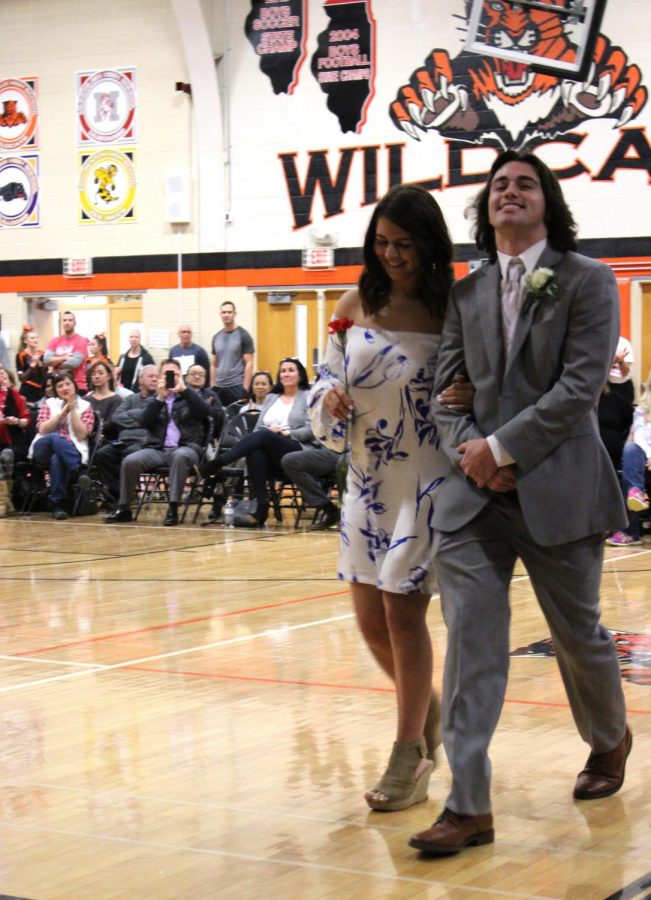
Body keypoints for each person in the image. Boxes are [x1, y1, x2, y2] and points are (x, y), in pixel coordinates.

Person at [409, 150, 631, 857]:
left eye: (524, 184)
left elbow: (579, 386)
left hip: (559, 489)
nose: (509, 192)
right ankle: (467, 805)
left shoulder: (589, 281)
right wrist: (469, 450)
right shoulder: (465, 292)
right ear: (486, 208)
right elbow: (443, 392)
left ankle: (608, 737)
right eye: (499, 185)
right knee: (472, 643)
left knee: (578, 637)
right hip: (473, 500)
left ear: (546, 202)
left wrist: (498, 446)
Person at [307, 184, 472, 812]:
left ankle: (410, 755)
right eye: (382, 243)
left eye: (405, 244)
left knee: (405, 617)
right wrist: (331, 400)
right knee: (370, 623)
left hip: (426, 480)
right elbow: (324, 383)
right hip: (367, 480)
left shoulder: (452, 308)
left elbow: (478, 382)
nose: (392, 255)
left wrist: (472, 398)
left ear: (430, 245)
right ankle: (423, 709)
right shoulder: (354, 301)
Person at [203, 357, 317, 527]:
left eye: (291, 370)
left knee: (265, 435)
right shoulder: (272, 397)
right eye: (283, 371)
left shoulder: (308, 397)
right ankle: (261, 509)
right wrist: (268, 434)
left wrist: (286, 432)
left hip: (296, 448)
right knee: (256, 450)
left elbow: (311, 430)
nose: (286, 374)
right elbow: (257, 429)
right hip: (270, 451)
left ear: (300, 374)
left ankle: (219, 462)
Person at [104, 358, 211, 527]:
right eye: (166, 374)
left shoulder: (190, 396)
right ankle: (124, 507)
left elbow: (204, 412)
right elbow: (145, 422)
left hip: (187, 447)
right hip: (158, 448)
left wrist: (184, 390)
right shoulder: (153, 399)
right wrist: (160, 398)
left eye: (174, 374)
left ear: (180, 376)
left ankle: (173, 508)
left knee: (179, 456)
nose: (170, 378)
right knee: (130, 461)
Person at [29, 371, 95, 520]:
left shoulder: (86, 406)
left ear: (74, 386)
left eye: (68, 384)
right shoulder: (50, 404)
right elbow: (43, 429)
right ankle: (79, 470)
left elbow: (82, 435)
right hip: (43, 448)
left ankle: (58, 504)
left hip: (70, 450)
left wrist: (72, 410)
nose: (64, 388)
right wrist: (64, 411)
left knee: (57, 459)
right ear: (56, 390)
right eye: (60, 385)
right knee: (53, 436)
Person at [94, 364, 159, 506]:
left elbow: (151, 421)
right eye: (150, 376)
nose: (155, 379)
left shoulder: (159, 401)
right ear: (141, 380)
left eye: (157, 377)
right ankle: (121, 493)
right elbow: (117, 417)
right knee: (102, 454)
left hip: (144, 443)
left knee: (128, 455)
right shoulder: (130, 399)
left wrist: (135, 417)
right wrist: (142, 419)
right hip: (123, 441)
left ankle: (120, 498)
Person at [606, 371, 651, 546]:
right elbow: (639, 436)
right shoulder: (642, 410)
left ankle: (629, 530)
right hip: (644, 461)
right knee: (631, 449)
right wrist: (649, 456)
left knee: (630, 469)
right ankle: (636, 494)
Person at [281, 444, 341, 529]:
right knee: (290, 460)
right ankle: (330, 510)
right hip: (333, 449)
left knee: (345, 462)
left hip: (358, 450)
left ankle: (350, 517)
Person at [0, 363, 31, 516]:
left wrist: (16, 421)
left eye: (3, 375)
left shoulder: (15, 396)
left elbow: (26, 421)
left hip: (15, 442)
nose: (1, 377)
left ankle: (2, 502)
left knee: (5, 455)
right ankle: (6, 502)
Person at [210, 302, 255, 406]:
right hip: (219, 387)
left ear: (234, 314)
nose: (226, 315)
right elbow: (213, 364)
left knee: (235, 420)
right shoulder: (216, 337)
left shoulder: (243, 335)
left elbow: (249, 363)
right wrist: (212, 386)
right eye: (224, 312)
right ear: (220, 314)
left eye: (229, 312)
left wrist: (245, 389)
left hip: (237, 386)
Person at [44, 311, 88, 393]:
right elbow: (46, 360)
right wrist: (64, 357)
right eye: (64, 320)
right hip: (58, 385)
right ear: (62, 323)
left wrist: (54, 361)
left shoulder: (81, 341)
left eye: (70, 320)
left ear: (75, 323)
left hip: (77, 386)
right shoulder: (54, 341)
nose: (67, 323)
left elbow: (74, 363)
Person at [84, 361, 123, 439]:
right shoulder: (85, 400)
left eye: (101, 373)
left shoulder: (116, 399)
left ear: (109, 376)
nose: (97, 376)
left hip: (107, 439)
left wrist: (93, 432)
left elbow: (111, 423)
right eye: (93, 374)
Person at [15, 327, 47, 405]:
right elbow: (22, 378)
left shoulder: (42, 354)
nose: (35, 340)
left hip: (40, 391)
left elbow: (44, 377)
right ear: (25, 341)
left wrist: (40, 364)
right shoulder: (21, 356)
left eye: (37, 338)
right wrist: (32, 365)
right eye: (32, 338)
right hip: (27, 391)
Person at [608, 336, 635, 404]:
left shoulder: (623, 343)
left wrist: (620, 361)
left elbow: (625, 373)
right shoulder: (602, 343)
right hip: (606, 386)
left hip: (623, 386)